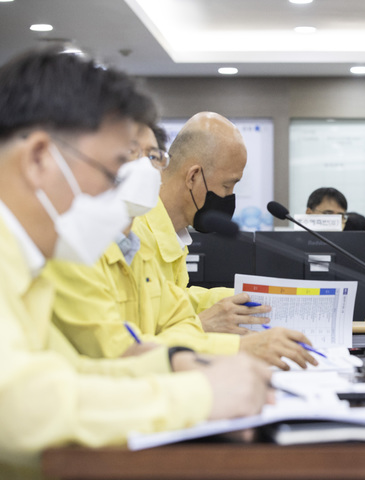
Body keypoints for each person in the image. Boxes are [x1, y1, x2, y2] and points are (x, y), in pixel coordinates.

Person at [0, 47, 271, 477]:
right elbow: (15, 407)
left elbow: (71, 372)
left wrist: (173, 362)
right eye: (111, 172)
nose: (120, 196)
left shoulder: (29, 259)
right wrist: (199, 396)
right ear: (37, 160)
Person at [44, 123, 317, 370]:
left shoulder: (135, 246)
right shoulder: (74, 251)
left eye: (153, 156)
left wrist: (251, 298)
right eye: (129, 154)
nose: (149, 169)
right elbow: (122, 352)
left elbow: (179, 313)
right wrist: (236, 347)